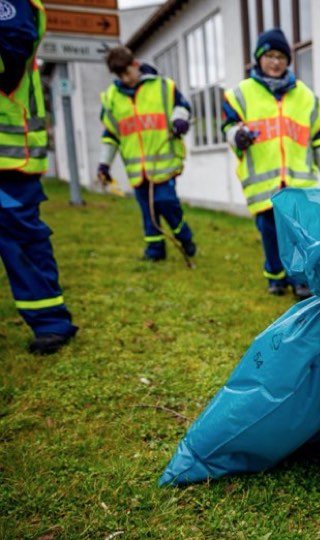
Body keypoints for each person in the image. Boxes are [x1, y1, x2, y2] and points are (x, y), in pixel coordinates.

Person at [221, 28, 320, 300]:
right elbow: (227, 127)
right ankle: (275, 278)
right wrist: (238, 136)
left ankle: (300, 281)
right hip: (262, 182)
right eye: (269, 56)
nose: (275, 62)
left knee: (298, 234)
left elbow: (318, 138)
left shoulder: (305, 97)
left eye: (281, 56)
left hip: (299, 182)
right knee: (269, 232)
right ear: (258, 59)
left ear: (288, 61)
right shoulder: (241, 94)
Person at [0, 0, 79, 355]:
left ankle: (49, 321)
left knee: (20, 238)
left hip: (8, 159)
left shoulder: (12, 5)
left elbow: (11, 57)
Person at [97, 46, 196, 262]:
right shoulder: (112, 98)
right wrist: (104, 164)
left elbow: (182, 107)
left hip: (163, 163)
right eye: (120, 76)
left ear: (135, 64)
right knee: (147, 211)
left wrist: (179, 120)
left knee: (166, 203)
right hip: (137, 169)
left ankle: (184, 237)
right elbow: (111, 134)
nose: (125, 79)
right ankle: (155, 251)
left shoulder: (163, 87)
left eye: (127, 72)